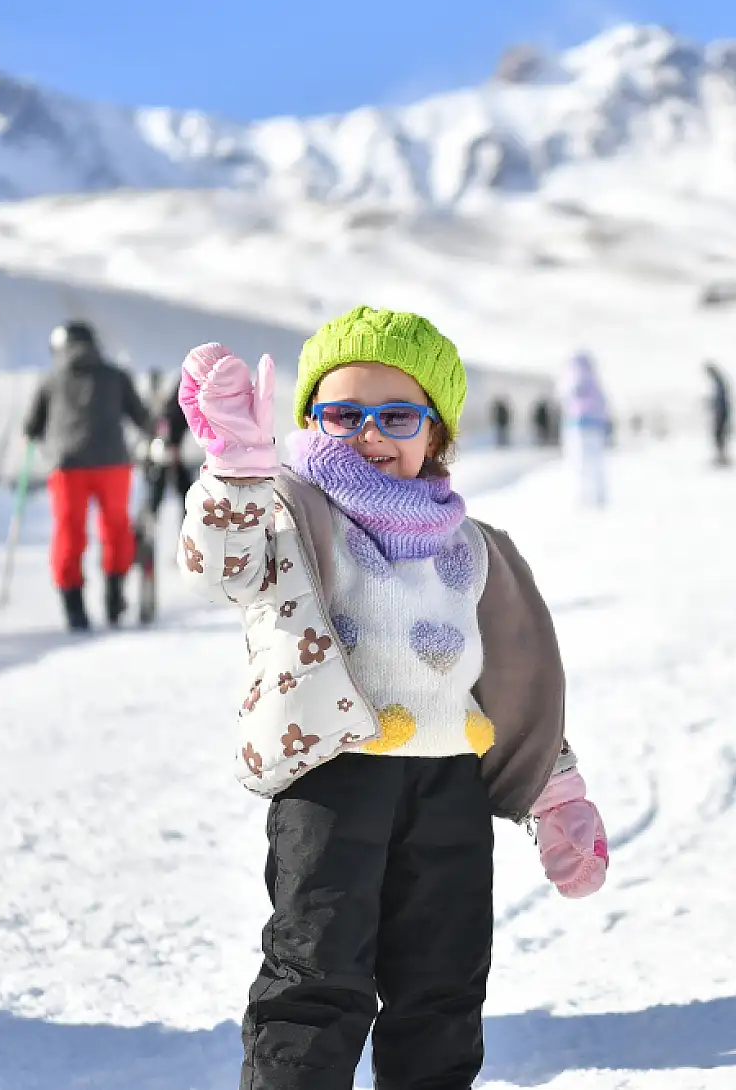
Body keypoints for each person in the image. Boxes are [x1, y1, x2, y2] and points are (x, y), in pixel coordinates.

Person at [175, 305, 608, 1088]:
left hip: (450, 787)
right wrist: (234, 469)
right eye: (343, 415)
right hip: (334, 783)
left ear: (435, 433)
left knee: (442, 990)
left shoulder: (475, 549)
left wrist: (557, 793)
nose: (369, 433)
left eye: (397, 415)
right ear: (310, 421)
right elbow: (219, 567)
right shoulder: (289, 516)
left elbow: (513, 682)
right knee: (317, 974)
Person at [23, 320, 151, 632]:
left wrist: (42, 443)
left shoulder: (51, 380)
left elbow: (30, 428)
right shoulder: (116, 376)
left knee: (69, 532)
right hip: (113, 463)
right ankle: (113, 596)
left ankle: (74, 609)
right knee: (115, 529)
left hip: (68, 466)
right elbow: (142, 418)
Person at [138, 366, 196, 521]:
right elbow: (170, 418)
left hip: (176, 450)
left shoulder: (190, 388)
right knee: (158, 495)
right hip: (168, 451)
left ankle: (190, 535)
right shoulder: (188, 389)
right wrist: (170, 443)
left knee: (185, 497)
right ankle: (145, 534)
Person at [559, 352, 610, 507]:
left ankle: (583, 497)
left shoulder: (572, 383)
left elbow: (565, 401)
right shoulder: (594, 383)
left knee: (580, 464)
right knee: (595, 464)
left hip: (579, 427)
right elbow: (603, 405)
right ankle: (597, 496)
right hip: (593, 428)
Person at [706, 361, 733, 466]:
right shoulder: (720, 383)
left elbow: (721, 403)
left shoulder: (719, 384)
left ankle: (722, 459)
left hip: (721, 415)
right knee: (720, 438)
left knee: (720, 437)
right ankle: (722, 458)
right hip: (722, 415)